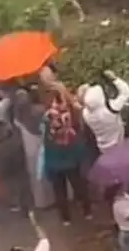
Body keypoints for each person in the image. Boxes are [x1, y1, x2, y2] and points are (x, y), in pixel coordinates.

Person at [40, 83, 90, 224]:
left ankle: (65, 218)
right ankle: (87, 210)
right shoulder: (69, 115)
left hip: (54, 161)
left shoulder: (47, 117)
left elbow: (45, 139)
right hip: (71, 159)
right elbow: (77, 135)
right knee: (79, 186)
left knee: (59, 191)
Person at [11, 89, 53, 210]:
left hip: (30, 148)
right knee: (47, 171)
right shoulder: (43, 111)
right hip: (44, 144)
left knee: (35, 174)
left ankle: (40, 202)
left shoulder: (20, 119)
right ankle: (52, 198)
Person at [82, 70, 129, 153]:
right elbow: (127, 93)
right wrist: (114, 79)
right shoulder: (111, 109)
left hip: (102, 147)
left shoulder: (85, 113)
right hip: (118, 144)